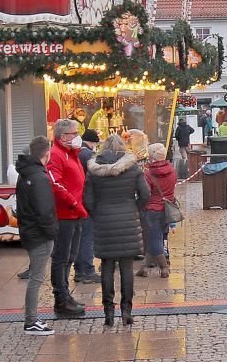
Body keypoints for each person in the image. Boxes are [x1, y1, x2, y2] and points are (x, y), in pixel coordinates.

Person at [84, 134, 150, 327]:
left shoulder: (93, 170)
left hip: (104, 219)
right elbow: (145, 195)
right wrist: (134, 208)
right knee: (126, 267)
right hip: (127, 218)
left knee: (106, 265)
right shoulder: (132, 168)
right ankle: (126, 310)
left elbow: (87, 200)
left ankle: (108, 312)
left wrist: (98, 214)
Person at [16, 136, 59, 336]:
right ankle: (31, 321)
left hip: (29, 230)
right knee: (37, 278)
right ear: (47, 153)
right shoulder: (40, 176)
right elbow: (44, 210)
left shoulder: (25, 173)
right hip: (39, 234)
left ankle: (31, 320)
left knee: (36, 276)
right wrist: (52, 232)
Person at [47, 119, 89, 317]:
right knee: (61, 257)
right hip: (65, 214)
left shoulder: (71, 153)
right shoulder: (56, 154)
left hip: (75, 213)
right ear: (63, 137)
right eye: (74, 133)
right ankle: (61, 299)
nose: (77, 136)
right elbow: (55, 184)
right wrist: (73, 202)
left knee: (70, 256)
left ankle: (65, 295)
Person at [137, 143, 176, 278]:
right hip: (167, 208)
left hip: (152, 209)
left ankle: (164, 267)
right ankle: (144, 267)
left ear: (152, 156)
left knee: (154, 239)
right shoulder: (172, 169)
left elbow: (145, 194)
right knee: (158, 236)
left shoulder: (148, 174)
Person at [72, 129, 101, 285]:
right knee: (87, 238)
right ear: (92, 142)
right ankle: (88, 271)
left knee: (79, 237)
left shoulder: (75, 153)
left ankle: (78, 271)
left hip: (76, 201)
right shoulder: (88, 155)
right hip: (86, 201)